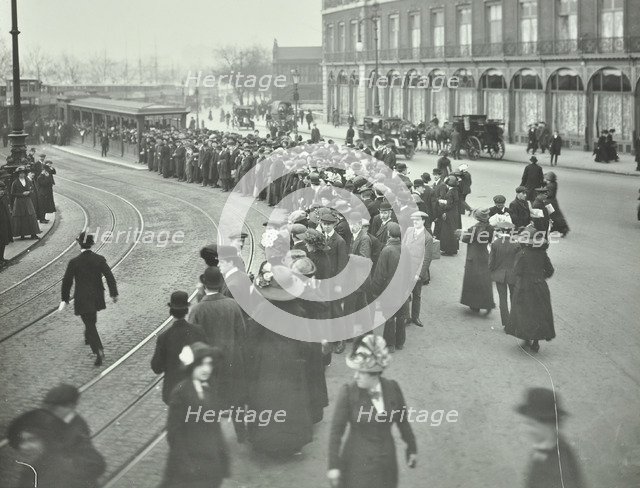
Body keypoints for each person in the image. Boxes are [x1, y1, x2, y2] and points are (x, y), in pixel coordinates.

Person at [327, 334, 417, 488]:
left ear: (375, 373)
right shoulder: (348, 392)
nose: (355, 376)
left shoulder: (392, 388)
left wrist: (412, 448)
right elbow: (336, 431)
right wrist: (333, 466)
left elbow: (403, 421)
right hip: (357, 467)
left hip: (386, 466)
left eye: (361, 372)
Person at [246, 266, 314, 455]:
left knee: (267, 402)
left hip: (267, 364)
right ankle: (292, 444)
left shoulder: (262, 309)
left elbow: (251, 338)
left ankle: (265, 442)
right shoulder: (298, 311)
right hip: (291, 363)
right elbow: (306, 342)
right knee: (291, 404)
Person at [188, 266, 248, 442]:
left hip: (209, 364)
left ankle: (214, 437)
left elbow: (193, 340)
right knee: (236, 399)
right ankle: (241, 433)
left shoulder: (197, 310)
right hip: (233, 360)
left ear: (205, 285)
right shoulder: (232, 304)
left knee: (211, 400)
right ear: (221, 284)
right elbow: (242, 333)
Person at [7, 385, 106, 488]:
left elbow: (94, 463)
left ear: (70, 406)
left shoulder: (78, 427)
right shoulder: (49, 422)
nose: (50, 412)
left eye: (54, 408)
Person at [163, 342, 230, 488]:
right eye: (201, 365)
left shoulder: (209, 390)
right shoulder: (181, 393)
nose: (206, 369)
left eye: (209, 364)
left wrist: (223, 460)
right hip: (189, 470)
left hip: (210, 464)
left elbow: (215, 429)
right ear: (191, 366)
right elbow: (174, 434)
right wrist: (188, 466)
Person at [61, 232, 118, 366]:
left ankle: (98, 349)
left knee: (89, 323)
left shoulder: (74, 262)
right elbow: (109, 276)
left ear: (79, 244)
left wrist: (65, 299)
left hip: (82, 296)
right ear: (92, 244)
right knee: (91, 320)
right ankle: (88, 337)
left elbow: (67, 281)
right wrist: (113, 293)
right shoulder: (99, 259)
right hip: (97, 295)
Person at [515, 388, 585, 488]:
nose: (527, 430)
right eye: (527, 423)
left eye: (532, 424)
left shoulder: (560, 462)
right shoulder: (543, 449)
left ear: (549, 425)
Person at [151, 291, 207, 405]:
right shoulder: (198, 332)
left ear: (171, 311)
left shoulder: (164, 337)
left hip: (173, 392)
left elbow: (156, 367)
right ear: (187, 310)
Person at [505, 226, 555, 352]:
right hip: (540, 286)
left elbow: (517, 271)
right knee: (539, 313)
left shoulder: (522, 254)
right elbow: (550, 271)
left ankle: (526, 337)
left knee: (524, 313)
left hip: (525, 287)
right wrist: (540, 277)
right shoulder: (542, 253)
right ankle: (536, 342)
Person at [371, 222, 411, 352]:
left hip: (389, 290)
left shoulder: (387, 250)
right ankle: (400, 342)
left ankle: (390, 344)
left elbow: (380, 274)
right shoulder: (405, 249)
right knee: (401, 317)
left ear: (388, 234)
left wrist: (375, 292)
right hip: (403, 290)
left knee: (389, 318)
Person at [459, 208, 495, 314]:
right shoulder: (490, 228)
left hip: (473, 256)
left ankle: (474, 304)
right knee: (485, 280)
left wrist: (460, 235)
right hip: (484, 255)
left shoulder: (474, 228)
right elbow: (490, 240)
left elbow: (465, 239)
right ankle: (487, 302)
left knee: (472, 280)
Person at [402, 211, 433, 327]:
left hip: (416, 272)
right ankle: (406, 317)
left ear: (423, 221)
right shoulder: (409, 231)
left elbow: (427, 259)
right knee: (404, 294)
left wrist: (419, 275)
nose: (415, 222)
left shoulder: (428, 237)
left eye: (418, 220)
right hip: (406, 270)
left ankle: (415, 317)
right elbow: (403, 248)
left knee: (417, 295)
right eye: (413, 220)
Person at [489, 221, 520, 327]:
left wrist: (490, 273)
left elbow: (491, 262)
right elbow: (518, 261)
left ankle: (506, 323)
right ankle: (514, 321)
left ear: (501, 230)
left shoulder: (495, 243)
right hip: (513, 275)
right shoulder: (516, 244)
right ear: (511, 231)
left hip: (499, 275)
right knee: (513, 297)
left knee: (502, 298)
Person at [10, 166, 40, 239]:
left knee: (31, 216)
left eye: (23, 173)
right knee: (21, 217)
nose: (22, 175)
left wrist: (29, 192)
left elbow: (32, 189)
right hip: (19, 202)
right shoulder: (15, 183)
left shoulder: (28, 181)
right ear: (18, 174)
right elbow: (12, 193)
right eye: (20, 173)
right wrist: (22, 194)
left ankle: (33, 234)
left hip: (27, 201)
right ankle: (22, 234)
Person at [439, 176, 461, 256]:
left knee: (447, 231)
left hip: (449, 214)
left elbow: (449, 205)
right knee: (453, 230)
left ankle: (448, 250)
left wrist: (442, 205)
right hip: (454, 213)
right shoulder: (455, 191)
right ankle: (453, 249)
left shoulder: (450, 192)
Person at [544, 172, 569, 237]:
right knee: (555, 216)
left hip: (550, 203)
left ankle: (562, 229)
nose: (546, 180)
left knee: (553, 216)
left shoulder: (550, 185)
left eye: (547, 179)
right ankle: (559, 229)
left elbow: (549, 194)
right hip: (552, 202)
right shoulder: (554, 183)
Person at [0, 181, 13, 266]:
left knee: (3, 241)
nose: (2, 191)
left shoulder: (4, 198)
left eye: (2, 190)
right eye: (0, 190)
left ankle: (1, 258)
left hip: (4, 223)